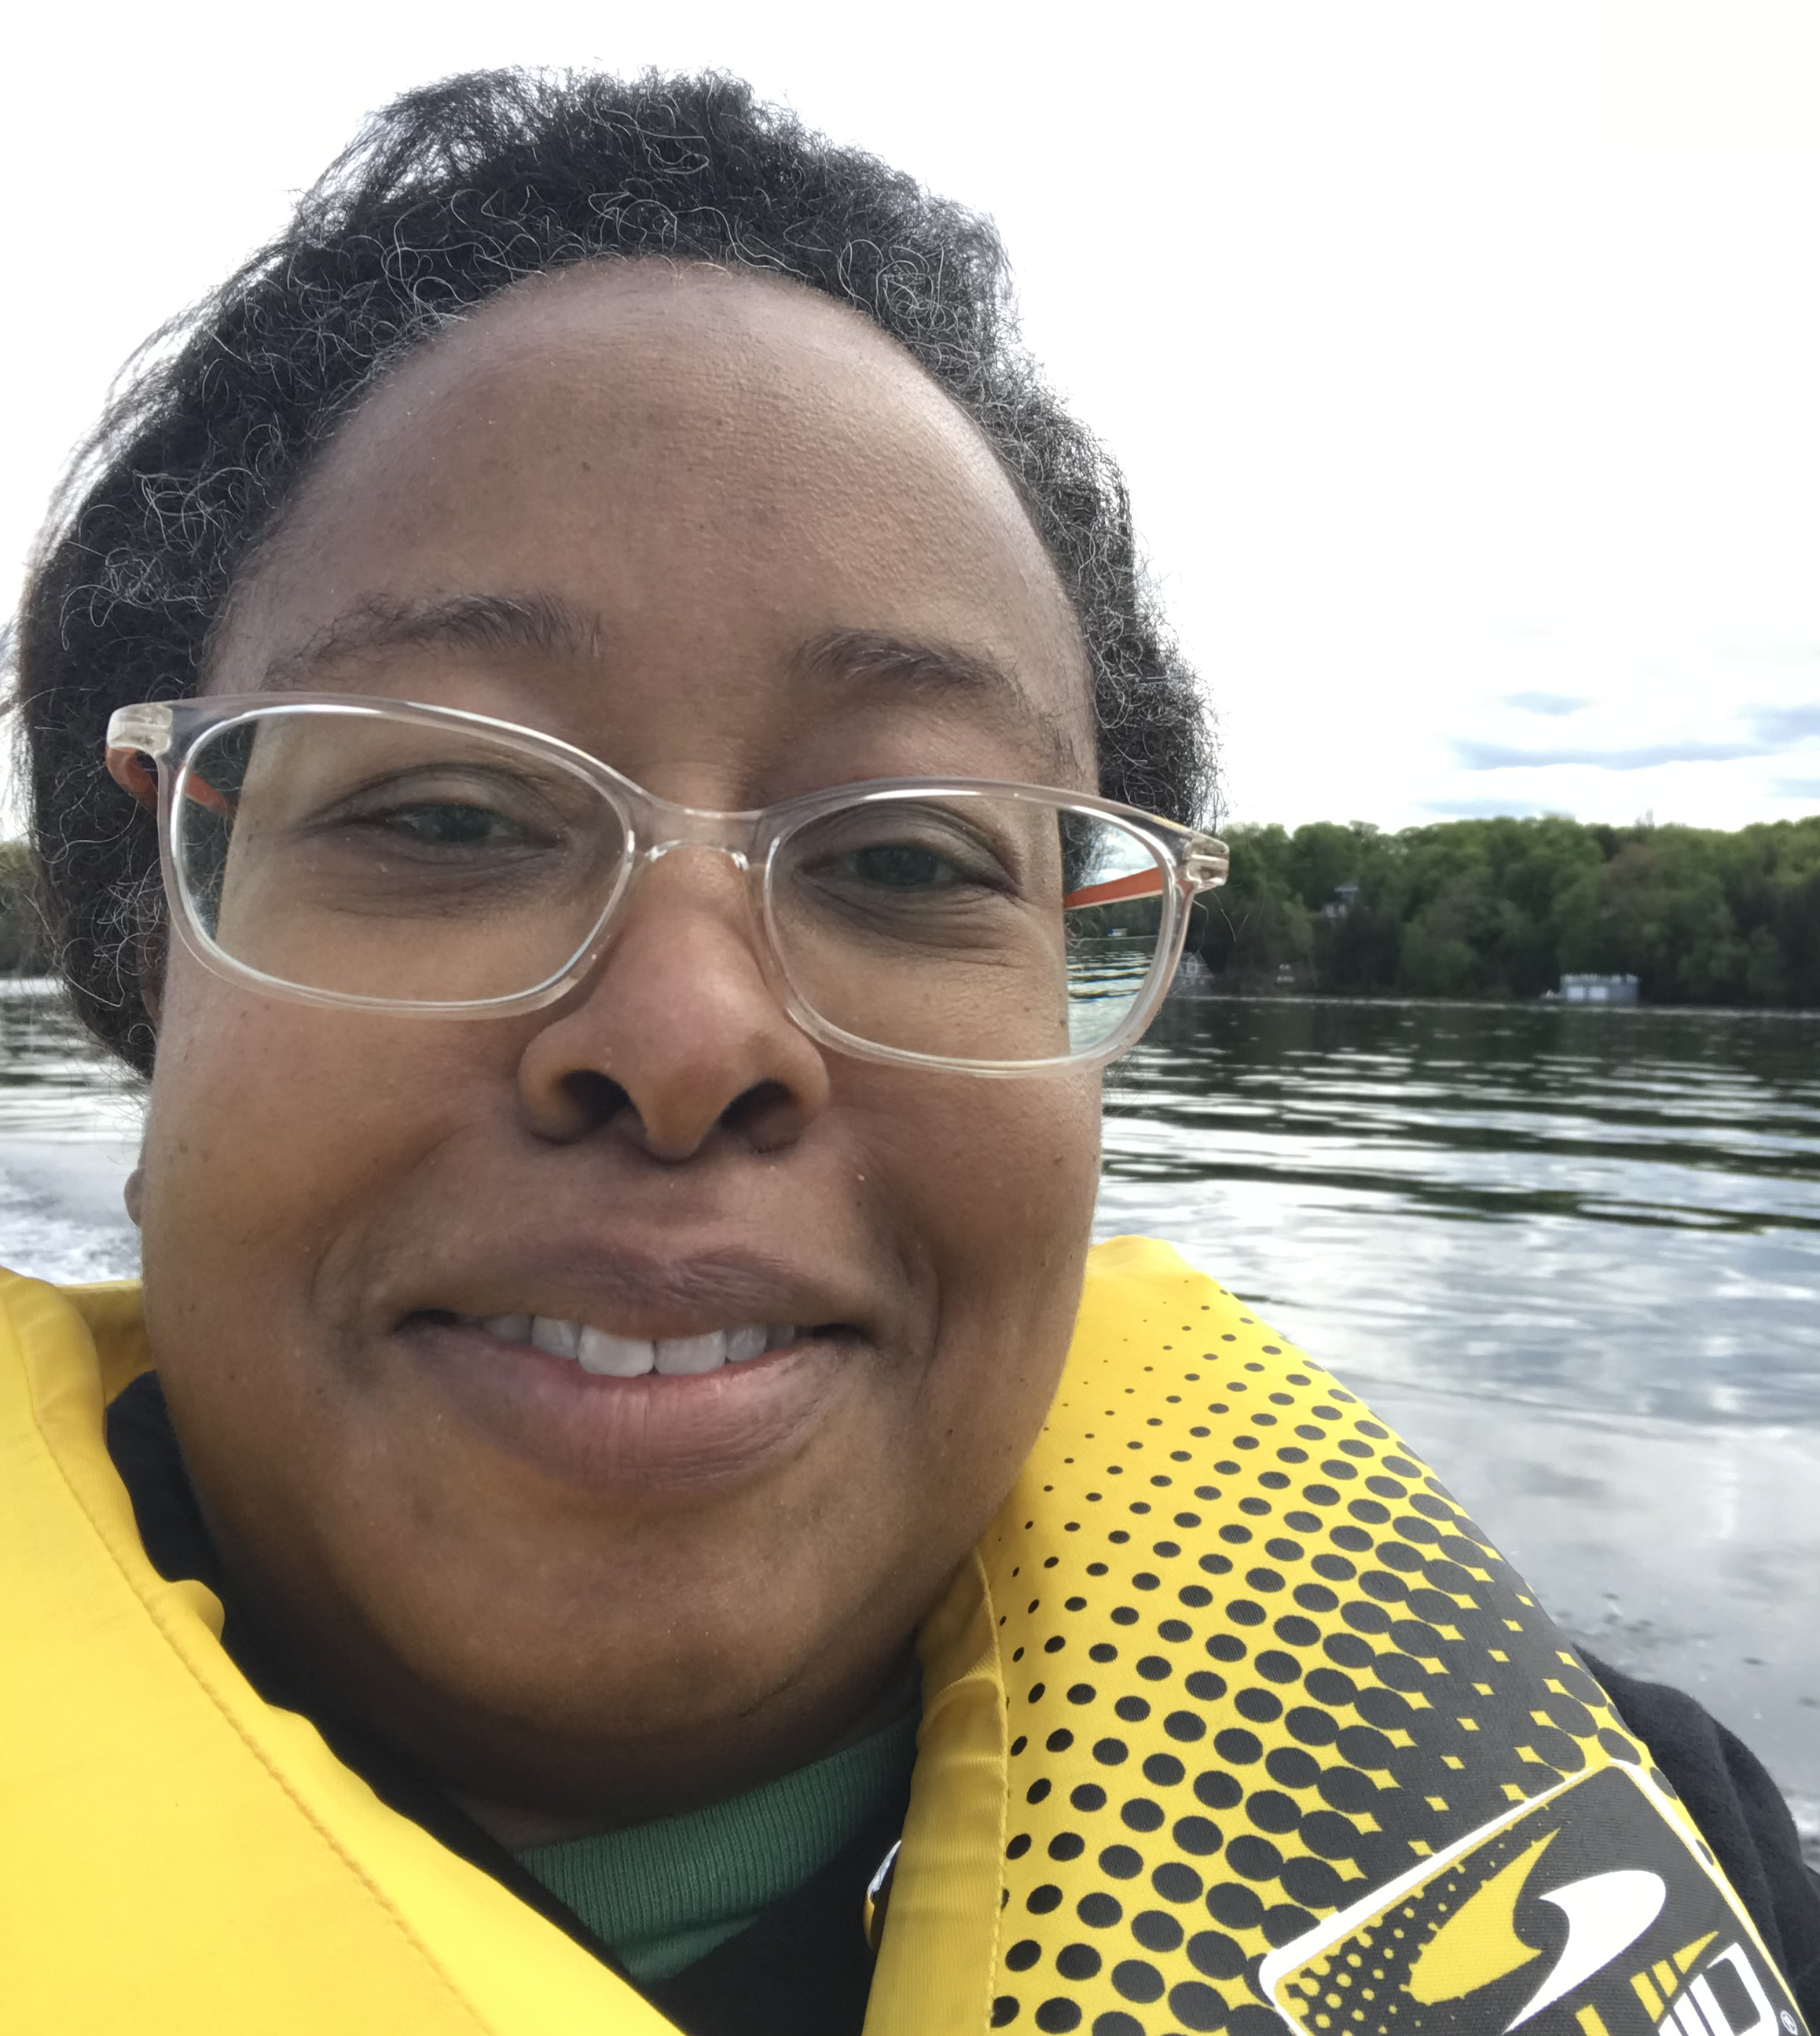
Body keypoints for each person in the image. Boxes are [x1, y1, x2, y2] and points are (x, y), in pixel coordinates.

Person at [3, 69, 1814, 2036]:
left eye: (902, 852)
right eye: (445, 812)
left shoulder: (1665, 1855)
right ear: (145, 949)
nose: (688, 1037)